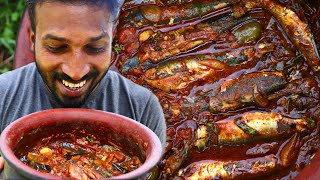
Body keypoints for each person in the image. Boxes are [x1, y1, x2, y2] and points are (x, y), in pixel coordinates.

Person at [0, 0, 166, 173]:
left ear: (112, 41)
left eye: (95, 48)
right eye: (56, 47)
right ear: (33, 40)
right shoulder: (3, 96)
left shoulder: (143, 108)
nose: (76, 72)